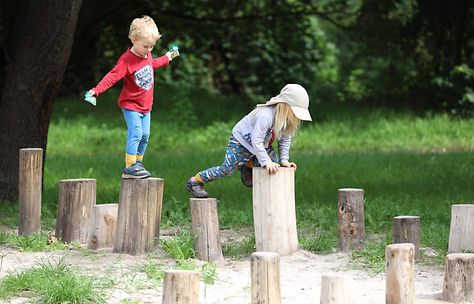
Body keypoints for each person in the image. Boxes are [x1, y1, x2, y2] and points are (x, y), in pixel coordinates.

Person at [88, 15, 179, 179]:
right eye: (146, 46)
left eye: (152, 46)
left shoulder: (147, 54)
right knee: (136, 132)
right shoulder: (126, 60)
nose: (149, 50)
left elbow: (153, 64)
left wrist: (167, 57)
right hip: (131, 105)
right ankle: (129, 166)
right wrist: (97, 90)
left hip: (146, 106)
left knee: (145, 136)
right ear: (133, 39)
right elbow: (112, 76)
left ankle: (137, 163)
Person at [186, 84, 312, 198]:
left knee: (274, 167)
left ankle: (250, 165)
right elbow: (256, 140)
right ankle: (196, 181)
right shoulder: (265, 115)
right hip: (242, 142)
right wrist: (265, 162)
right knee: (227, 169)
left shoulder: (284, 121)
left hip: (261, 144)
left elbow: (284, 139)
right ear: (286, 107)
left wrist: (284, 161)